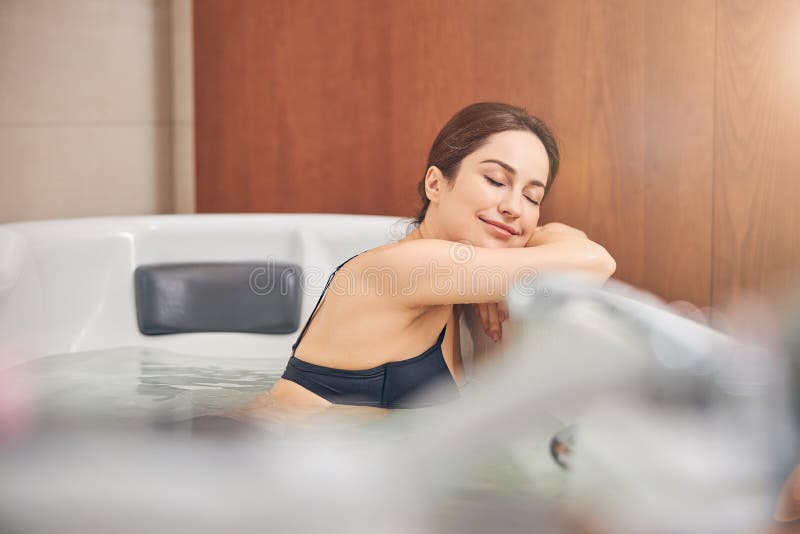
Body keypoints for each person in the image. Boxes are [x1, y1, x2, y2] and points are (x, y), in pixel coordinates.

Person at [240, 102, 616, 422]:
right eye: (496, 180)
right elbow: (595, 262)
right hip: (254, 467)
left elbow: (573, 244)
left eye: (532, 197)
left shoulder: (458, 286)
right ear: (435, 185)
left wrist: (499, 269)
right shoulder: (403, 268)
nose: (513, 207)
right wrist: (505, 265)